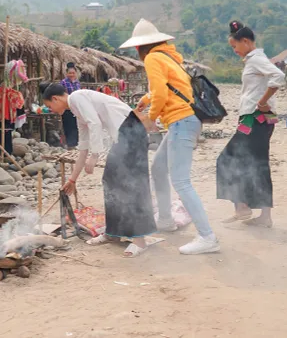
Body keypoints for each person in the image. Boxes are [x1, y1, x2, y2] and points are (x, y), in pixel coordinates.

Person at [121, 18, 219, 255]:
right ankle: (165, 219)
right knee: (158, 168)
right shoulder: (169, 57)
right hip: (184, 121)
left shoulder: (153, 58)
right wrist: (146, 100)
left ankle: (208, 237)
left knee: (181, 181)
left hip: (180, 122)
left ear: (138, 48)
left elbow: (162, 94)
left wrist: (151, 118)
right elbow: (163, 89)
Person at [43, 83, 156, 257]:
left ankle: (140, 241)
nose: (52, 110)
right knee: (110, 179)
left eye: (50, 106)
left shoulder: (77, 97)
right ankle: (113, 232)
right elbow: (83, 147)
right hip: (122, 135)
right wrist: (73, 179)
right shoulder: (77, 111)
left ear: (56, 98)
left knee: (130, 184)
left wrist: (95, 156)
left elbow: (94, 123)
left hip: (131, 130)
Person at [216, 21, 285, 228]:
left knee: (225, 160)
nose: (234, 50)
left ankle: (242, 207)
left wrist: (263, 102)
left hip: (256, 120)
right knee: (257, 165)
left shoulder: (256, 59)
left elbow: (278, 76)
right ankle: (263, 215)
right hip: (257, 120)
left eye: (234, 46)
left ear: (245, 41)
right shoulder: (253, 60)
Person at [60, 62, 80, 148]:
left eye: (73, 73)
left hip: (75, 107)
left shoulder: (77, 82)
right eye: (70, 73)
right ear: (66, 73)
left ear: (75, 73)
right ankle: (70, 144)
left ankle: (76, 144)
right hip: (67, 108)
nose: (71, 74)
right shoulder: (63, 82)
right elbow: (61, 94)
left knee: (76, 125)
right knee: (68, 126)